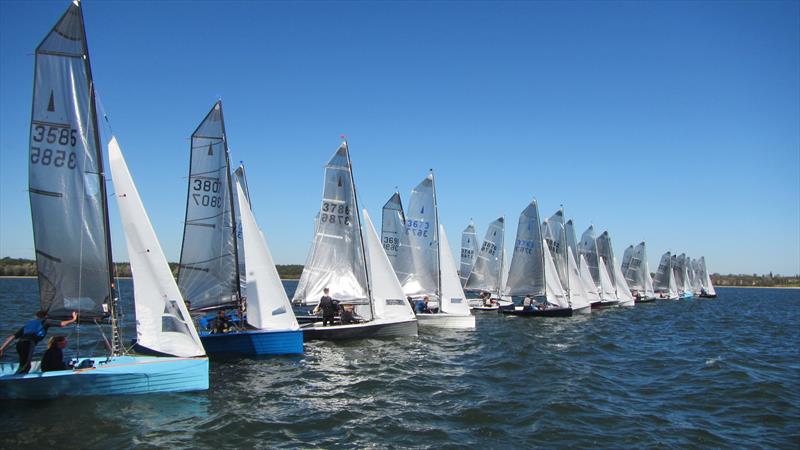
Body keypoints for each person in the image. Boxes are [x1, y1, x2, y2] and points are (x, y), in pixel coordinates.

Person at [0, 310, 78, 374]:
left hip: (20, 344)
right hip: (29, 344)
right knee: (26, 366)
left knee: (23, 364)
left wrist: (2, 348)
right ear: (46, 316)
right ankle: (17, 382)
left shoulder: (28, 325)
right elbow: (62, 324)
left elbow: (12, 337)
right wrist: (73, 319)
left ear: (36, 317)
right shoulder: (45, 321)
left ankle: (17, 377)